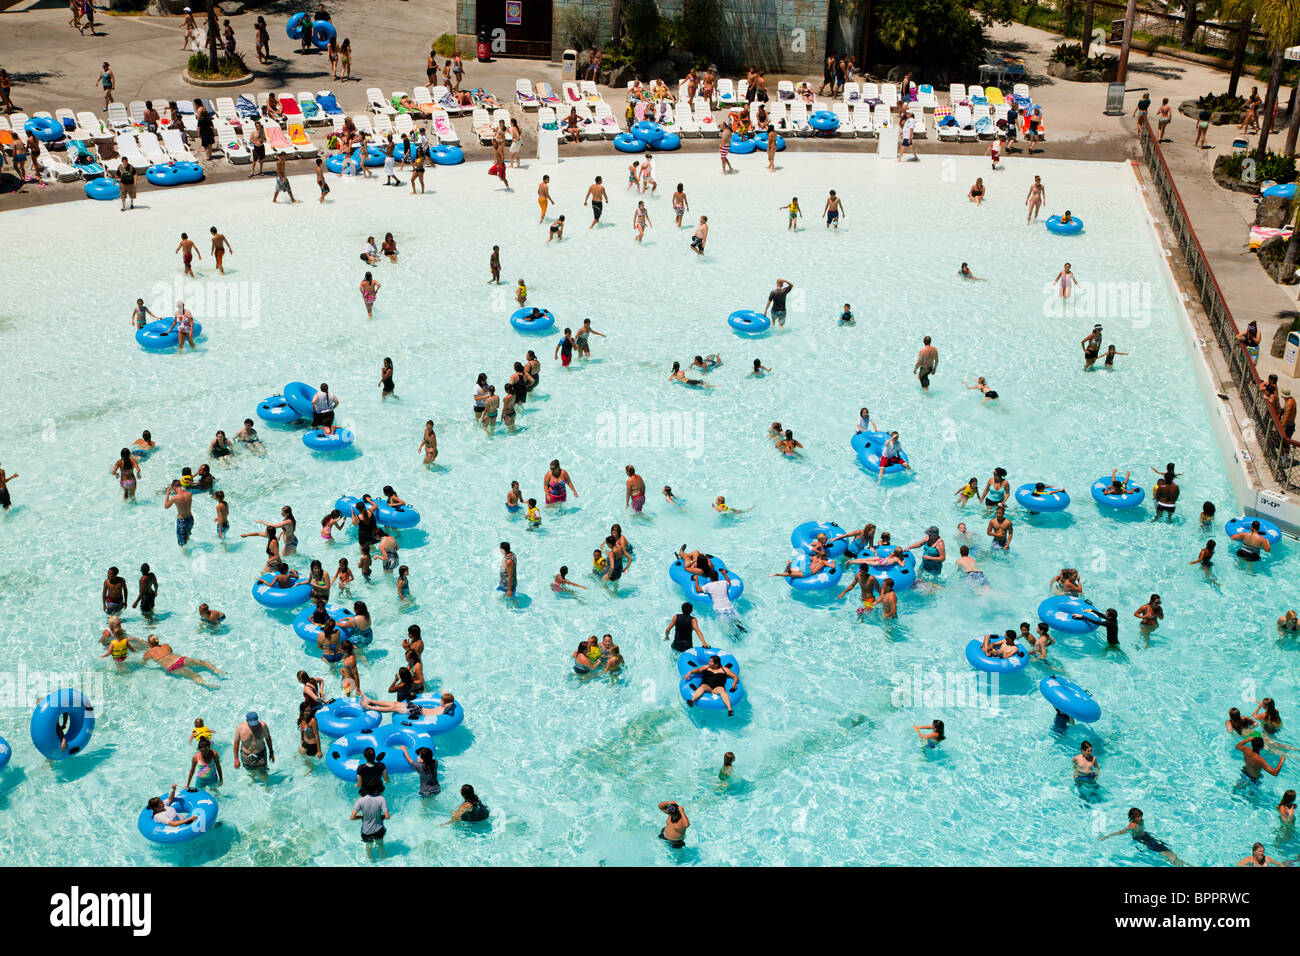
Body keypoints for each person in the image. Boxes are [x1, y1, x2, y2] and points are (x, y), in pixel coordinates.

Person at [1099, 807, 1188, 865]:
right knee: (1162, 851)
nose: (1140, 818)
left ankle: (1178, 861)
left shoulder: (1141, 821)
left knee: (1165, 848)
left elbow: (1143, 829)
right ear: (1133, 817)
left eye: (1141, 816)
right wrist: (1106, 837)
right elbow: (1120, 832)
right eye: (1138, 817)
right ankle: (1176, 862)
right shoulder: (1132, 825)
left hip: (1147, 836)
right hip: (1143, 840)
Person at [351, 783, 390, 860]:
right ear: (376, 790)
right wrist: (381, 817)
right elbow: (387, 816)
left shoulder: (360, 800)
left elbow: (352, 817)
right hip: (379, 830)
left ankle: (371, 862)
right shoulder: (381, 799)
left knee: (369, 848)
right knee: (380, 845)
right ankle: (383, 860)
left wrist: (361, 817)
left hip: (366, 832)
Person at [233, 712, 274, 776]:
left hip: (261, 755)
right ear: (247, 721)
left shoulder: (263, 726)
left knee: (263, 772)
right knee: (250, 772)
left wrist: (271, 753)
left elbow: (268, 739)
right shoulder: (240, 728)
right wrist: (236, 759)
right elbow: (236, 744)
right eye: (251, 724)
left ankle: (266, 785)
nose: (254, 726)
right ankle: (253, 781)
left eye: (255, 723)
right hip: (246, 756)